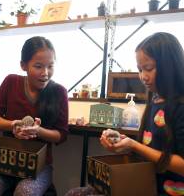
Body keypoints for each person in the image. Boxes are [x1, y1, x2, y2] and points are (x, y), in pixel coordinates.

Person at [65, 32, 184, 196]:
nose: (143, 76)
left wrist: (134, 145)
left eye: (148, 68)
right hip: (143, 183)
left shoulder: (179, 107)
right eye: (140, 69)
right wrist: (121, 143)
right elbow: (147, 151)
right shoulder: (154, 102)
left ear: (170, 66)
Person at [0, 36, 68, 196]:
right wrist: (13, 124)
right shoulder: (11, 82)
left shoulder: (59, 92)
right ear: (23, 65)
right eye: (38, 66)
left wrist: (38, 131)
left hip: (40, 167)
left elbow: (61, 135)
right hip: (5, 161)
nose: (45, 73)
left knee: (25, 192)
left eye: (50, 66)